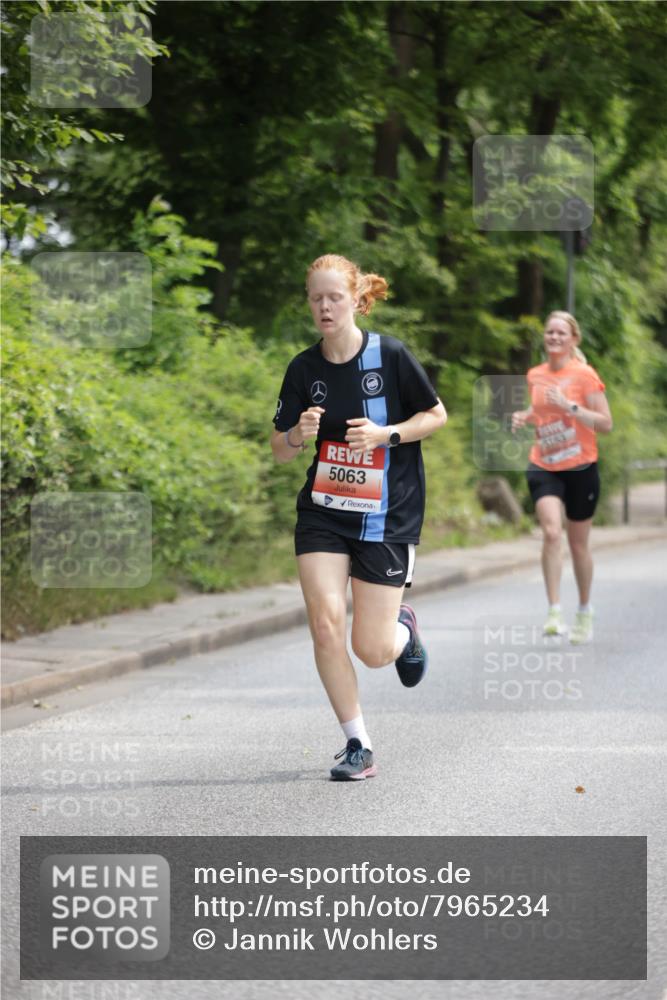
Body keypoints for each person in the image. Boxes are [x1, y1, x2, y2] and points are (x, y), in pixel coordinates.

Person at [271, 254, 446, 781]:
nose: (324, 307)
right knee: (326, 625)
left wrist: (385, 434)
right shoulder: (304, 368)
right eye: (316, 298)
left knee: (371, 650)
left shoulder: (388, 355)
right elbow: (280, 448)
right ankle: (357, 744)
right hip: (324, 513)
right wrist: (299, 433)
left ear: (354, 300)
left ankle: (404, 630)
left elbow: (435, 416)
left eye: (334, 298)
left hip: (387, 515)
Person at [512, 310, 613, 643]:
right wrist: (523, 416)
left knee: (577, 544)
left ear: (573, 340)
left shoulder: (584, 376)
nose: (554, 337)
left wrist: (570, 406)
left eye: (561, 333)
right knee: (552, 533)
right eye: (550, 332)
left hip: (581, 468)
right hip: (544, 464)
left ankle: (584, 609)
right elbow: (541, 412)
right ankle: (554, 609)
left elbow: (605, 423)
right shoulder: (535, 375)